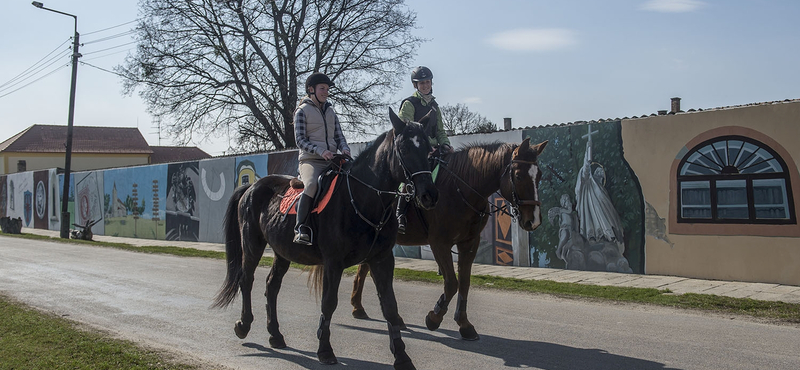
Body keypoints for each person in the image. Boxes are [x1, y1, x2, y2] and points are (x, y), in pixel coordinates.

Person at [293, 72, 351, 245]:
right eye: (322, 88)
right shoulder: (302, 111)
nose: (326, 92)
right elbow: (300, 140)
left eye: (327, 89)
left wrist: (345, 149)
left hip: (333, 160)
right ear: (311, 89)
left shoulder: (331, 111)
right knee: (311, 185)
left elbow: (339, 136)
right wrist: (320, 151)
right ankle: (301, 227)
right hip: (311, 161)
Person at [396, 66, 453, 234]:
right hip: (417, 150)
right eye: (421, 83)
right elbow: (406, 130)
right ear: (416, 85)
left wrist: (446, 144)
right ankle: (400, 213)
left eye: (427, 82)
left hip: (435, 148)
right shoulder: (409, 104)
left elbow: (440, 131)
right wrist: (426, 147)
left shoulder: (435, 106)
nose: (425, 85)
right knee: (413, 175)